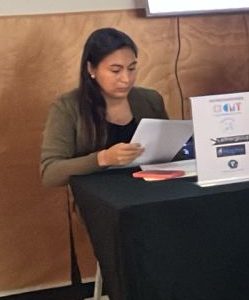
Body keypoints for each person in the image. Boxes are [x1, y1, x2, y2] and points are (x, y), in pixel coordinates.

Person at [40, 27, 169, 187]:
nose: (126, 79)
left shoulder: (150, 100)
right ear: (91, 69)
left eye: (131, 68)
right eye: (115, 70)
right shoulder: (67, 106)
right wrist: (103, 158)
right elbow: (50, 173)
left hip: (154, 190)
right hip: (98, 196)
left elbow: (172, 153)